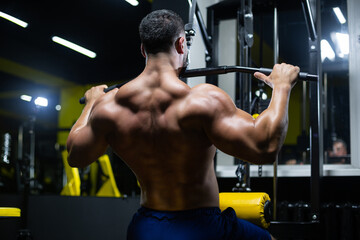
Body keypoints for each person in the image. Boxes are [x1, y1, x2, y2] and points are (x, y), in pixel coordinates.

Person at [66, 9, 299, 240]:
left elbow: (76, 156)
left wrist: (91, 105)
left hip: (146, 228)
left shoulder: (110, 107)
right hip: (201, 227)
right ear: (180, 44)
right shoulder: (202, 101)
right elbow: (265, 147)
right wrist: (282, 87)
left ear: (142, 49)